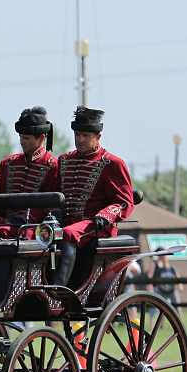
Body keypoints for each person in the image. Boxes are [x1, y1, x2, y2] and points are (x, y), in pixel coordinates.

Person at [51, 106, 134, 286]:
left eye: (86, 136)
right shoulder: (64, 160)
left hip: (96, 225)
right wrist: (55, 211)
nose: (80, 140)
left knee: (68, 233)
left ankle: (58, 290)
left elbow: (124, 200)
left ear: (98, 137)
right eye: (78, 135)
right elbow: (55, 194)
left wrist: (105, 216)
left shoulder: (112, 163)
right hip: (68, 223)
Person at [0, 106, 60, 238]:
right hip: (0, 225)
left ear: (42, 138)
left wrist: (21, 219)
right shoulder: (8, 163)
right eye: (21, 137)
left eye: (27, 138)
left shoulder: (53, 166)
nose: (22, 142)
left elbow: (49, 206)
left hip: (33, 228)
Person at [148, 248, 183, 315]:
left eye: (165, 258)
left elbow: (177, 277)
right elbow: (157, 281)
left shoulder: (172, 268)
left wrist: (180, 285)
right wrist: (156, 290)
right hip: (163, 291)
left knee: (177, 307)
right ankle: (161, 325)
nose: (164, 260)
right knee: (162, 308)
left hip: (172, 290)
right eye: (163, 258)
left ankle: (181, 323)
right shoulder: (159, 270)